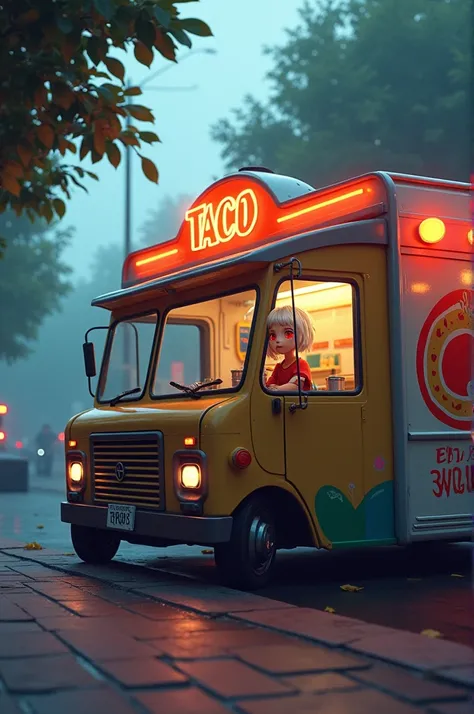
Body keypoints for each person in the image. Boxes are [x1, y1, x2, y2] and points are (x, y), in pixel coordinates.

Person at [265, 305, 315, 392]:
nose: (278, 340)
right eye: (273, 335)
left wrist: (277, 388)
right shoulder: (278, 367)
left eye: (288, 333)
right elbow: (269, 385)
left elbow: (296, 386)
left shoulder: (301, 365)